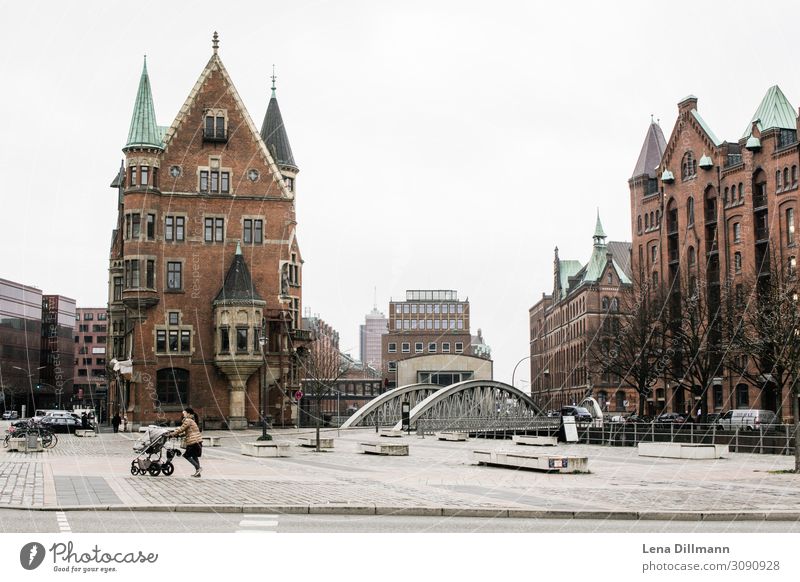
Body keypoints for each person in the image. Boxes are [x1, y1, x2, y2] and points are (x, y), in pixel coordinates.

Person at [169, 407, 203, 477]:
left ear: (188, 413)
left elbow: (181, 429)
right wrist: (179, 435)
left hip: (193, 441)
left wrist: (172, 434)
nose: (183, 414)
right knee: (194, 456)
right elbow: (186, 432)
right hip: (197, 441)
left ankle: (198, 468)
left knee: (186, 455)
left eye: (184, 413)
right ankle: (198, 472)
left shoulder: (188, 420)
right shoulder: (191, 420)